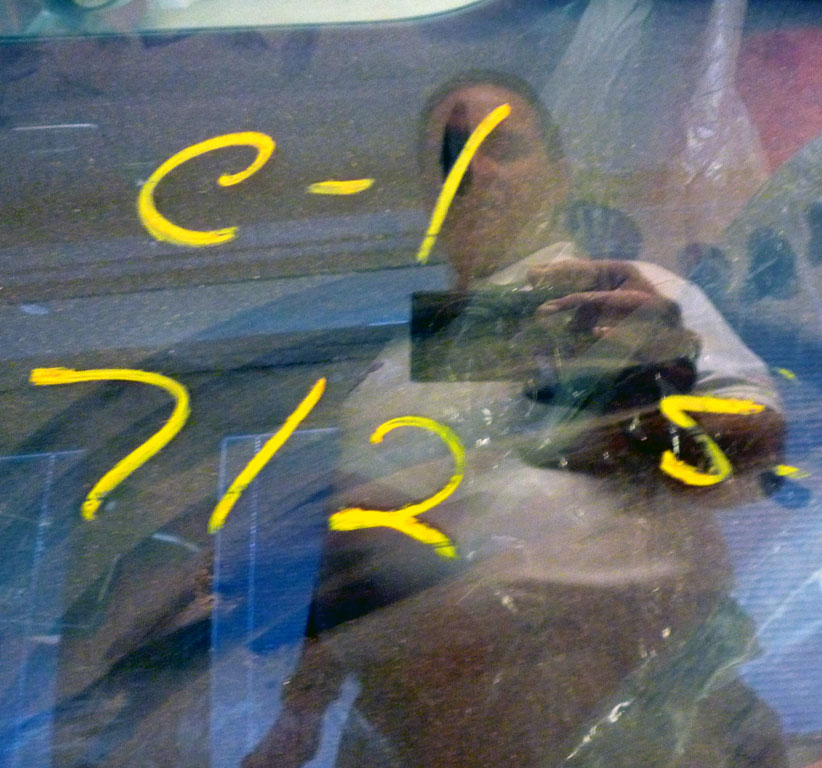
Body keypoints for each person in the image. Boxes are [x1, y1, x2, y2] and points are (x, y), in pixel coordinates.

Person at [242, 72, 788, 768]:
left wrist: (638, 402)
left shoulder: (632, 299)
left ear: (561, 175)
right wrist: (300, 712)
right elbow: (353, 554)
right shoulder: (392, 366)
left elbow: (757, 443)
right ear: (426, 193)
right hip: (418, 730)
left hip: (631, 718)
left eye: (503, 147)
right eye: (451, 155)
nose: (475, 171)